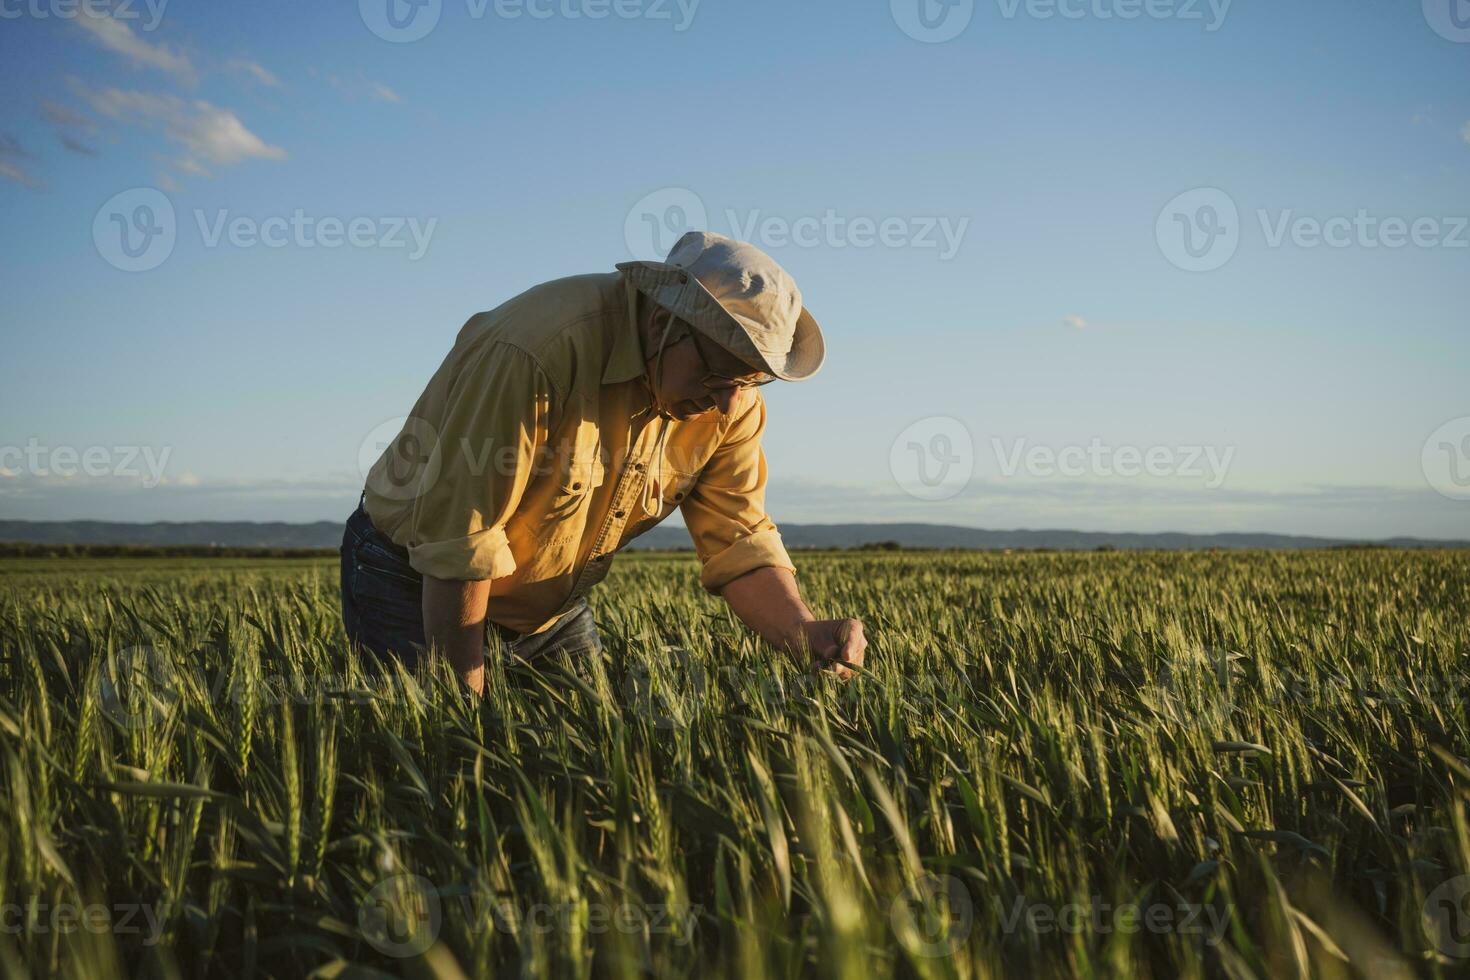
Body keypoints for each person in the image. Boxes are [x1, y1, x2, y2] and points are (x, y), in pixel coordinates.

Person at [340, 231, 867, 694]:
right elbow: (462, 542)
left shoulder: (731, 399)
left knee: (588, 762)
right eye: (719, 376)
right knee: (443, 763)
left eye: (750, 382)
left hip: (547, 607)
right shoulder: (538, 350)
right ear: (664, 322)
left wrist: (803, 633)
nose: (729, 403)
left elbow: (738, 538)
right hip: (414, 580)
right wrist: (462, 711)